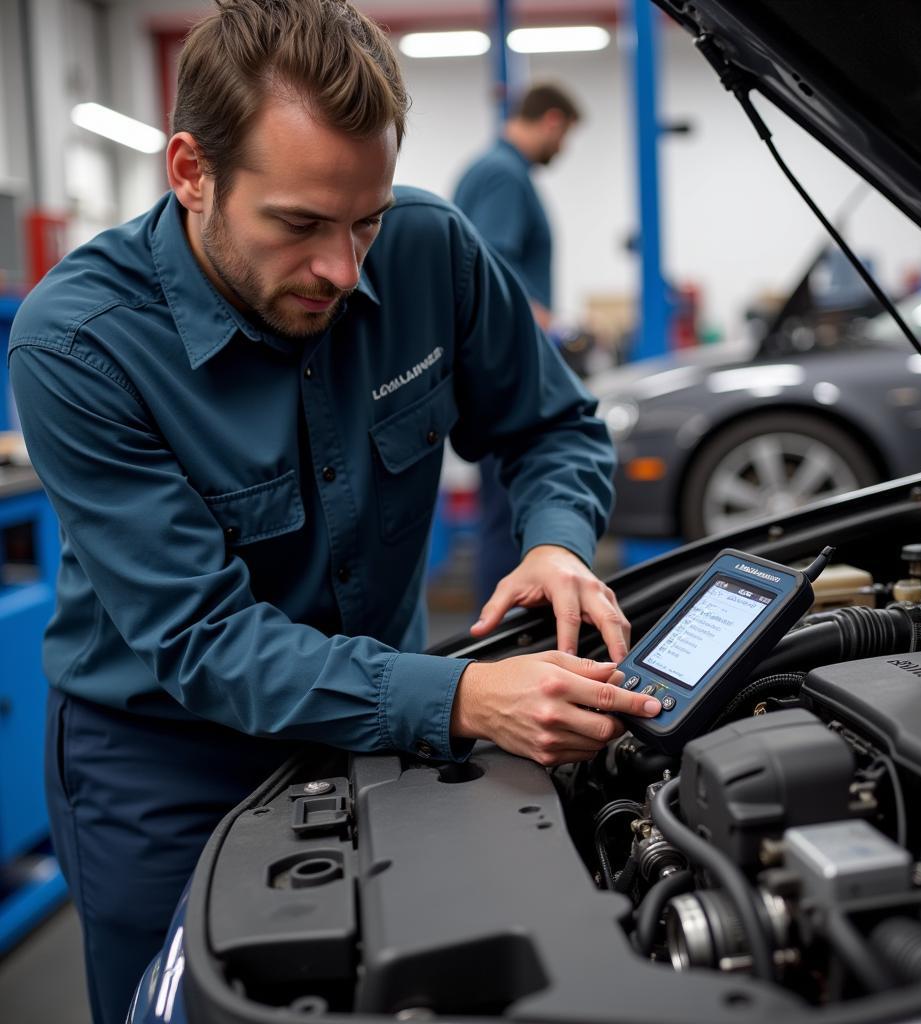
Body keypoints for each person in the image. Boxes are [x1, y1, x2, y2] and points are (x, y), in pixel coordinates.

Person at [8, 3, 661, 1021]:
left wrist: (554, 542)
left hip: (376, 722)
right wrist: (458, 700)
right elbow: (205, 640)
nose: (344, 271)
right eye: (300, 225)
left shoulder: (431, 247)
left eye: (367, 219)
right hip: (164, 760)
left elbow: (552, 427)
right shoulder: (79, 346)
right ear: (190, 171)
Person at [453, 83, 581, 601]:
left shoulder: (498, 171)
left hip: (501, 366)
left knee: (509, 509)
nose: (563, 148)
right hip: (506, 372)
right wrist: (541, 317)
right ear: (551, 121)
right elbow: (492, 264)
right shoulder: (503, 175)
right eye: (565, 135)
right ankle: (505, 645)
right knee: (510, 514)